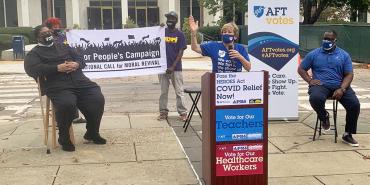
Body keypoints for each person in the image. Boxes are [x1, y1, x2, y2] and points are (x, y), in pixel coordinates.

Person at [24, 25, 106, 151]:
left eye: (48, 32)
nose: (47, 34)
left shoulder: (63, 46)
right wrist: (56, 68)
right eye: (43, 33)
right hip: (58, 85)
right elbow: (32, 69)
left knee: (97, 98)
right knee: (67, 104)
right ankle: (64, 137)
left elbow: (81, 58)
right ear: (37, 38)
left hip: (80, 81)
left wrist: (77, 64)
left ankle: (92, 133)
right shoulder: (34, 54)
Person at [298, 30, 360, 147]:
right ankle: (324, 116)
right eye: (325, 38)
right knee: (315, 98)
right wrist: (310, 80)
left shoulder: (343, 55)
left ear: (335, 40)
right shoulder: (314, 54)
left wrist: (342, 89)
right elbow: (301, 69)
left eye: (330, 39)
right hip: (321, 85)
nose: (326, 41)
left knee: (354, 104)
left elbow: (349, 74)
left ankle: (348, 134)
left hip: (339, 85)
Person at [44, 17, 87, 124]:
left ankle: (74, 117)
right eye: (55, 27)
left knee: (73, 91)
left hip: (68, 67)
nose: (57, 29)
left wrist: (68, 32)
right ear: (49, 28)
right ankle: (60, 120)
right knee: (63, 95)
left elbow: (69, 47)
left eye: (58, 26)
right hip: (56, 72)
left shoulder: (62, 36)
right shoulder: (46, 38)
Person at [157, 11, 188, 121]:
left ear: (176, 20)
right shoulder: (162, 32)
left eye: (171, 18)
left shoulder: (180, 35)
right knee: (163, 92)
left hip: (176, 69)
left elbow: (181, 52)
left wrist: (172, 67)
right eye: (168, 18)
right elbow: (151, 38)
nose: (169, 20)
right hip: (162, 68)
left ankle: (183, 113)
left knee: (179, 91)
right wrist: (158, 28)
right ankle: (163, 112)